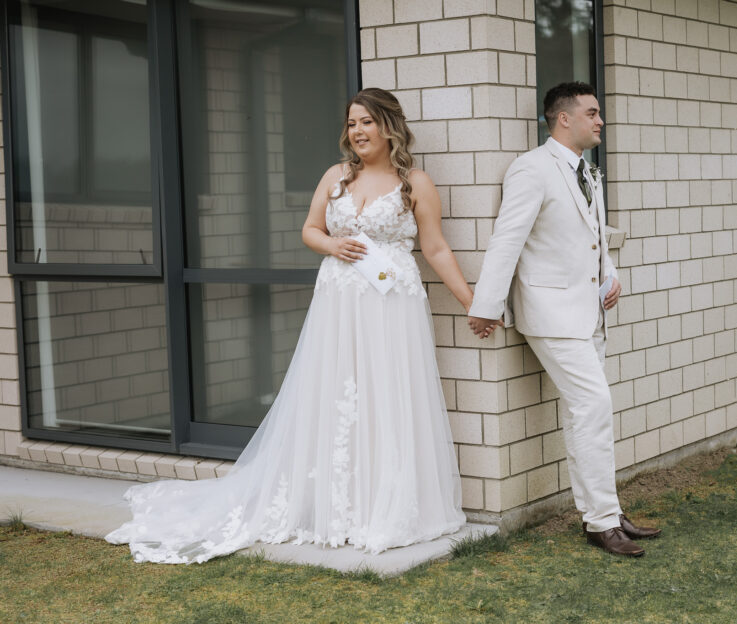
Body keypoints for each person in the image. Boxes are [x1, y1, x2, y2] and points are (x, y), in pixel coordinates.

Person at [107, 88, 491, 563]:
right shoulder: (336, 177)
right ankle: (331, 505)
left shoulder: (416, 182)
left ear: (389, 126)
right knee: (335, 394)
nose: (357, 132)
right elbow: (310, 229)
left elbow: (435, 249)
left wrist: (474, 303)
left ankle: (383, 507)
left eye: (366, 122)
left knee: (386, 396)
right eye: (351, 123)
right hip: (338, 303)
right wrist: (333, 246)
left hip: (391, 308)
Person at [467, 82, 661, 557]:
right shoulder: (531, 170)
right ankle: (599, 522)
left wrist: (609, 276)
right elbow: (507, 240)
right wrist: (486, 306)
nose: (600, 121)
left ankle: (607, 514)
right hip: (552, 317)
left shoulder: (587, 172)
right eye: (592, 113)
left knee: (586, 415)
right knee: (594, 406)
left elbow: (595, 235)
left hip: (588, 312)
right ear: (563, 119)